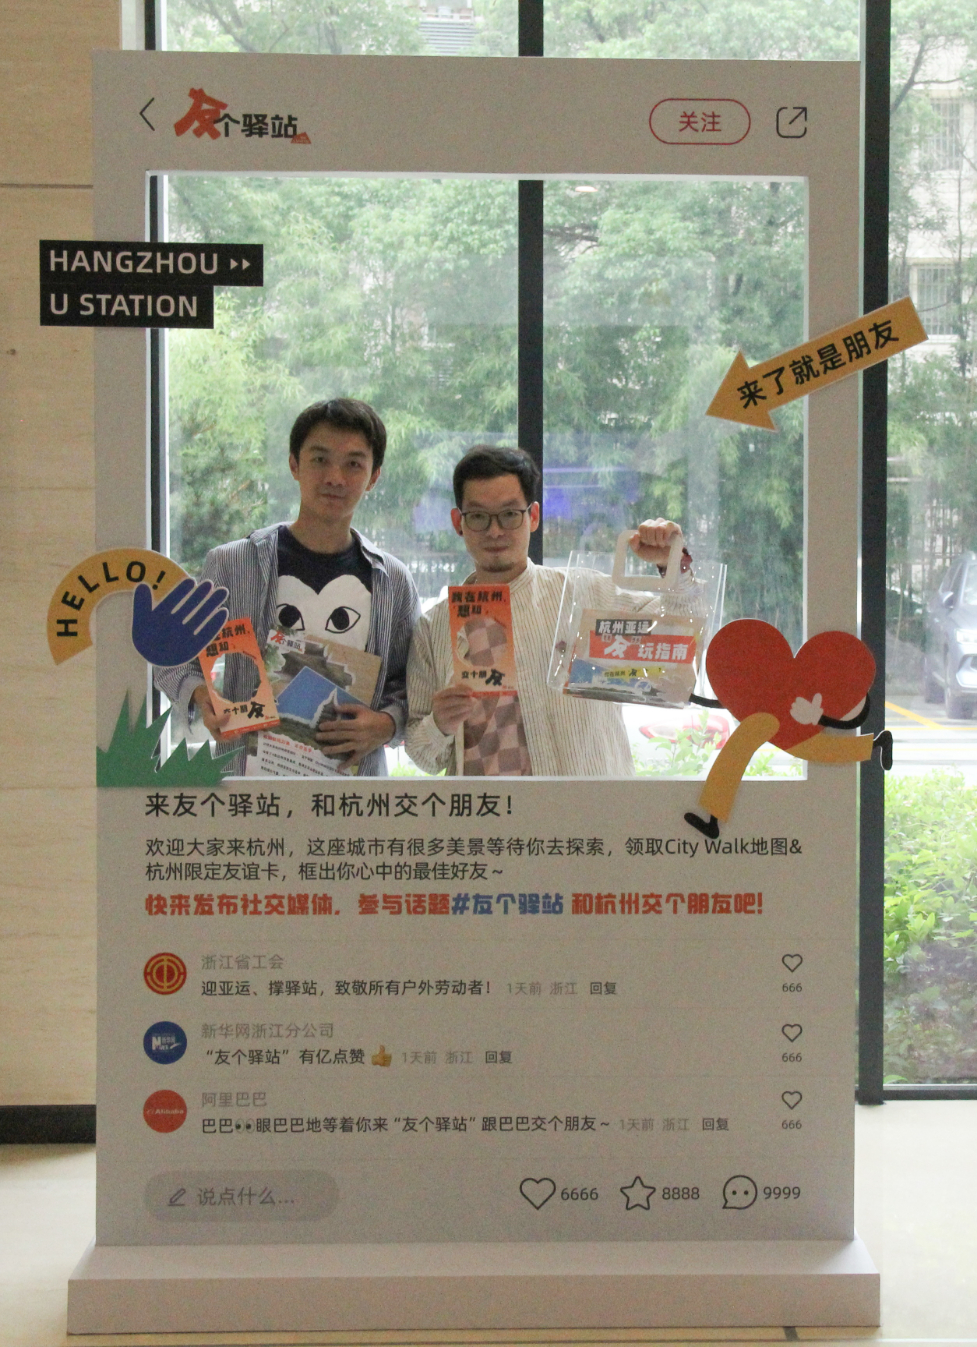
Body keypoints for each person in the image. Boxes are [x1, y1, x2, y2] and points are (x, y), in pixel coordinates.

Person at [155, 398, 420, 776]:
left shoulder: (393, 581)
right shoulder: (233, 564)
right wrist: (200, 694)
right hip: (250, 790)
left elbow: (414, 681)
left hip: (353, 795)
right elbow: (173, 655)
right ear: (294, 464)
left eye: (353, 464)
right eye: (320, 459)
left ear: (374, 476)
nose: (335, 477)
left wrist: (387, 724)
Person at [405, 444, 690, 777]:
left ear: (534, 516)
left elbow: (681, 644)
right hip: (492, 811)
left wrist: (675, 566)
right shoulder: (434, 627)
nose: (495, 531)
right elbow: (423, 756)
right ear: (458, 522)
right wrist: (439, 724)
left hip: (590, 806)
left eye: (510, 514)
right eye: (479, 516)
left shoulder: (586, 594)